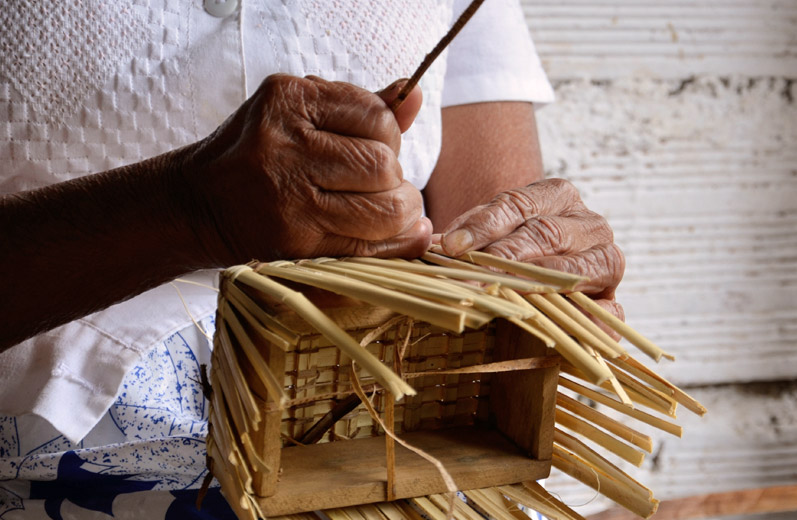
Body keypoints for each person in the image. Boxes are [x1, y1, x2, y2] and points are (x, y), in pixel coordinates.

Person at [0, 0, 624, 518]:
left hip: (383, 456)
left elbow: (495, 280)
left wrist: (539, 273)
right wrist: (185, 211)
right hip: (53, 470)